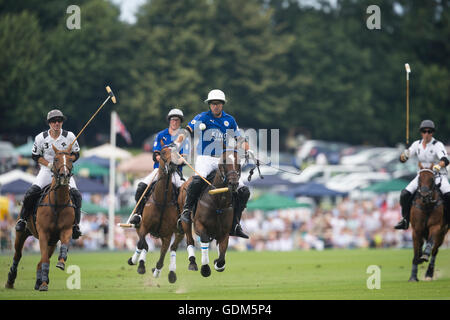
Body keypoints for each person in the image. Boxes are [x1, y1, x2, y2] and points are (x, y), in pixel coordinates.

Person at [176, 89, 251, 239]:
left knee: (243, 190)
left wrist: (249, 149)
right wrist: (177, 143)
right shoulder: (202, 117)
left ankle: (235, 223)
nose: (215, 106)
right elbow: (187, 130)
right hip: (205, 157)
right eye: (212, 104)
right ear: (209, 105)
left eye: (218, 104)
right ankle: (186, 211)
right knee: (197, 180)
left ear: (222, 105)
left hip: (222, 159)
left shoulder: (229, 120)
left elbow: (239, 138)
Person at [15, 109, 83, 239]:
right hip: (47, 170)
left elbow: (76, 154)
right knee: (31, 192)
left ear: (62, 122)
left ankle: (75, 226)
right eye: (53, 121)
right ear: (49, 123)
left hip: (64, 172)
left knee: (76, 195)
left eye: (59, 121)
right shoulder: (41, 138)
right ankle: (22, 220)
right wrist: (50, 165)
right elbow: (35, 156)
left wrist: (65, 163)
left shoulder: (70, 136)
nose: (56, 123)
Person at [128, 108, 189, 227]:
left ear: (180, 122)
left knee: (187, 192)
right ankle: (138, 213)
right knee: (141, 186)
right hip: (159, 170)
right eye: (172, 120)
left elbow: (184, 158)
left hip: (175, 172)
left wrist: (175, 161)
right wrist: (166, 160)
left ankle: (183, 217)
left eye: (177, 120)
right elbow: (156, 155)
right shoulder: (161, 135)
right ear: (169, 121)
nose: (174, 122)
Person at [394, 120, 450, 229]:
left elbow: (445, 159)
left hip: (438, 176)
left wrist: (439, 165)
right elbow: (404, 158)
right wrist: (403, 156)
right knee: (404, 194)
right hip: (422, 176)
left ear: (432, 133)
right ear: (421, 132)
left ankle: (448, 219)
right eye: (424, 131)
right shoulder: (416, 144)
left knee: (448, 194)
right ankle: (405, 219)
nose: (427, 134)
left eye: (429, 131)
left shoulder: (437, 145)